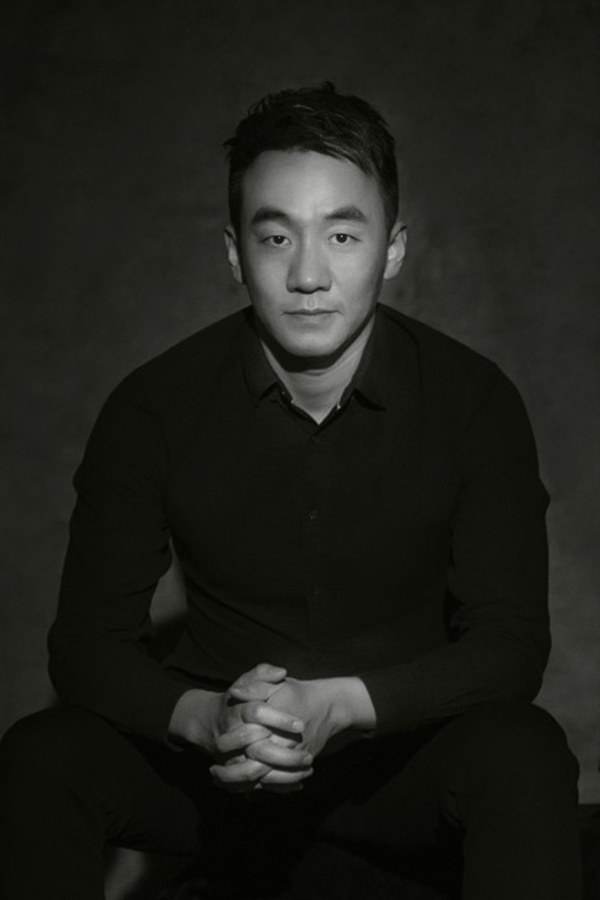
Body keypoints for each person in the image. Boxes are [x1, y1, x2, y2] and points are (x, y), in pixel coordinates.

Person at [0, 83, 581, 899]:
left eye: (343, 234)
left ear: (394, 249)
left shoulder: (474, 401)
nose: (308, 274)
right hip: (216, 776)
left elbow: (510, 647)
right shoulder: (152, 406)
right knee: (41, 756)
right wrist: (206, 719)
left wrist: (340, 705)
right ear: (234, 254)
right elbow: (85, 646)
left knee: (523, 749)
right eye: (276, 237)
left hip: (396, 773)